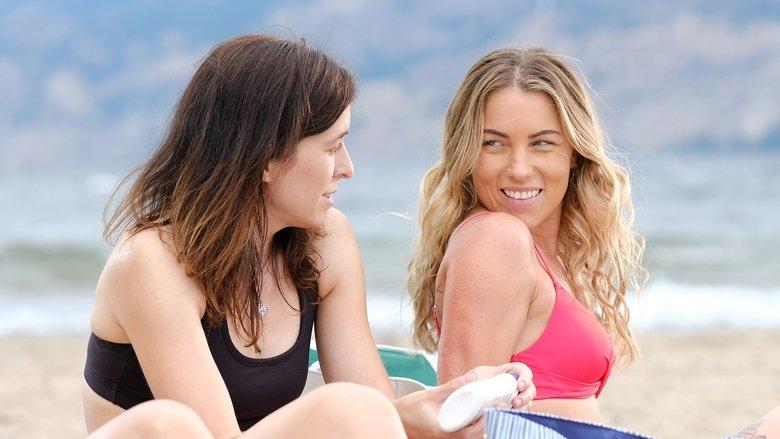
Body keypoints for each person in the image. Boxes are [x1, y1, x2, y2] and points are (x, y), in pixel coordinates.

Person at [82, 34, 535, 439]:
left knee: (356, 410)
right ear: (265, 157)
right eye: (332, 147)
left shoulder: (325, 240)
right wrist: (350, 414)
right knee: (174, 423)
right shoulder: (152, 263)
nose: (347, 168)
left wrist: (450, 400)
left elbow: (376, 413)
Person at [406, 46, 780, 438]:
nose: (518, 168)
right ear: (467, 152)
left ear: (573, 152)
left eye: (542, 143)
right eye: (493, 143)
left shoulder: (544, 256)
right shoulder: (495, 240)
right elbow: (456, 424)